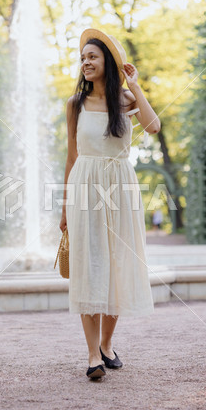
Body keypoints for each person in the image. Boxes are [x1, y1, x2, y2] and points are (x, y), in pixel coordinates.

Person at [59, 28, 161, 380]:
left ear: (108, 62)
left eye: (92, 56)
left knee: (117, 265)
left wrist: (136, 86)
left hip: (120, 187)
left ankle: (107, 343)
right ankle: (92, 357)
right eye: (82, 58)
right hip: (85, 187)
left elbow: (154, 126)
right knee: (90, 268)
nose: (85, 62)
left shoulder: (126, 101)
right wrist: (63, 210)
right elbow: (71, 159)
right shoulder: (75, 104)